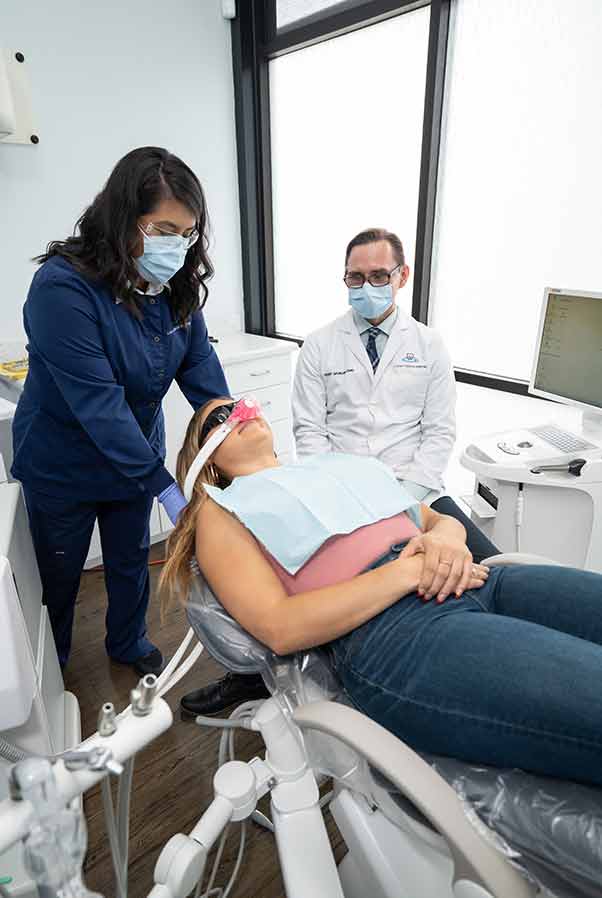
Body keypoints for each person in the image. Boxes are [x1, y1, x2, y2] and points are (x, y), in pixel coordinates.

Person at [166, 398, 602, 787]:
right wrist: (406, 573)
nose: (240, 411)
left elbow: (433, 519)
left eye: (240, 403)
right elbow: (280, 626)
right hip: (400, 633)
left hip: (475, 580)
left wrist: (448, 538)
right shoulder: (220, 511)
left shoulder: (334, 467)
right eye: (218, 418)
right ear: (207, 461)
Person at [180, 227, 499, 717]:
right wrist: (332, 484)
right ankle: (259, 677)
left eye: (377, 276)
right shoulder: (320, 346)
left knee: (491, 567)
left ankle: (486, 629)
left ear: (401, 277)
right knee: (293, 565)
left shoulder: (430, 346)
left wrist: (400, 503)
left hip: (412, 489)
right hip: (333, 485)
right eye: (355, 277)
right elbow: (309, 433)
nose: (365, 286)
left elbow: (439, 434)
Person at [11, 147, 229, 674]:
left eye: (187, 232)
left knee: (130, 561)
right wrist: (168, 488)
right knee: (57, 575)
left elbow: (202, 371)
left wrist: (232, 433)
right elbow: (99, 406)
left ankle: (127, 643)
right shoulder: (62, 289)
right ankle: (51, 666)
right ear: (122, 219)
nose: (176, 247)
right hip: (65, 462)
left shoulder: (174, 289)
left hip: (134, 454)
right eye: (163, 230)